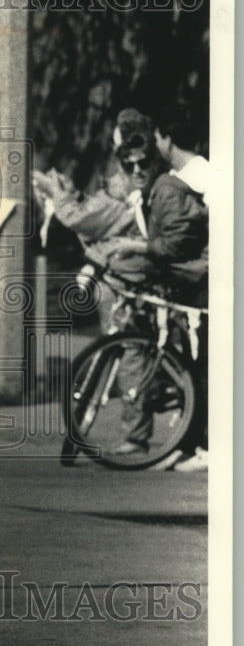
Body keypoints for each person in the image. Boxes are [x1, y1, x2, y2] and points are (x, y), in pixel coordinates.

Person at [107, 111, 208, 462]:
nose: (136, 170)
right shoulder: (138, 193)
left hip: (186, 283)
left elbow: (176, 244)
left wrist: (136, 250)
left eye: (143, 163)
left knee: (191, 362)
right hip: (164, 283)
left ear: (158, 151)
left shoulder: (169, 187)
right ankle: (152, 433)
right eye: (128, 164)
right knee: (145, 353)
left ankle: (192, 439)